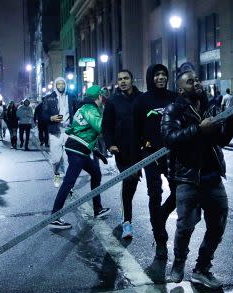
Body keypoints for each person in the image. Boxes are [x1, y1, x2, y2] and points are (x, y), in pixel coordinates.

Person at [161, 63, 233, 289]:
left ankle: (202, 268)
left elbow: (222, 140)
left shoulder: (210, 109)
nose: (197, 84)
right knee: (185, 226)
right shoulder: (173, 110)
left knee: (218, 224)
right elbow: (169, 138)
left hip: (213, 177)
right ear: (181, 89)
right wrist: (198, 129)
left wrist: (232, 119)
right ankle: (178, 265)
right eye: (190, 81)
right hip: (188, 179)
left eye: (197, 80)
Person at [48, 85, 110, 229]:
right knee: (69, 182)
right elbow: (100, 127)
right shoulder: (90, 109)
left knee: (96, 173)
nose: (104, 99)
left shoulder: (83, 108)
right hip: (77, 150)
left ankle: (97, 208)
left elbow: (85, 132)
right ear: (98, 97)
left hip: (78, 148)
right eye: (102, 96)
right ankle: (54, 215)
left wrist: (96, 151)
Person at [132, 64, 178, 258]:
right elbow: (135, 130)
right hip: (150, 155)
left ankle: (160, 216)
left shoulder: (174, 98)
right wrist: (138, 158)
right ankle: (160, 237)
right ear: (151, 77)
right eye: (157, 74)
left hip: (173, 153)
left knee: (179, 190)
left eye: (163, 74)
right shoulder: (142, 100)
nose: (161, 77)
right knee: (154, 195)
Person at [103, 69, 142, 240]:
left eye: (126, 78)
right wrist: (110, 144)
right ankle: (127, 222)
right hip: (122, 151)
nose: (123, 81)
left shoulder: (142, 98)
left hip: (141, 150)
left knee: (133, 185)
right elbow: (106, 126)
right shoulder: (112, 102)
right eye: (120, 79)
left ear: (132, 80)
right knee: (128, 181)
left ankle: (126, 213)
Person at [42, 77, 78, 187]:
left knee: (68, 159)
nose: (61, 86)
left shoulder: (71, 96)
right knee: (56, 159)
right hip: (55, 131)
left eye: (63, 84)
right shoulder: (49, 98)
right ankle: (57, 174)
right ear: (55, 85)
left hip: (68, 131)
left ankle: (68, 184)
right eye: (59, 84)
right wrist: (51, 118)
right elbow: (43, 115)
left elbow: (77, 111)